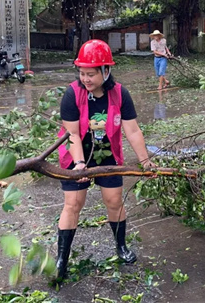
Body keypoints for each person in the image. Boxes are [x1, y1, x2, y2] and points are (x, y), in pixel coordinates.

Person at [55, 39, 154, 282]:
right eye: (82, 73)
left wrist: (145, 160)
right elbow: (72, 134)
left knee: (114, 201)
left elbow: (132, 130)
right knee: (73, 204)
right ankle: (62, 259)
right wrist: (80, 165)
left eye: (91, 74)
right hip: (76, 156)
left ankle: (121, 247)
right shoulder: (72, 94)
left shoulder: (120, 93)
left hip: (108, 155)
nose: (85, 79)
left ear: (106, 71)